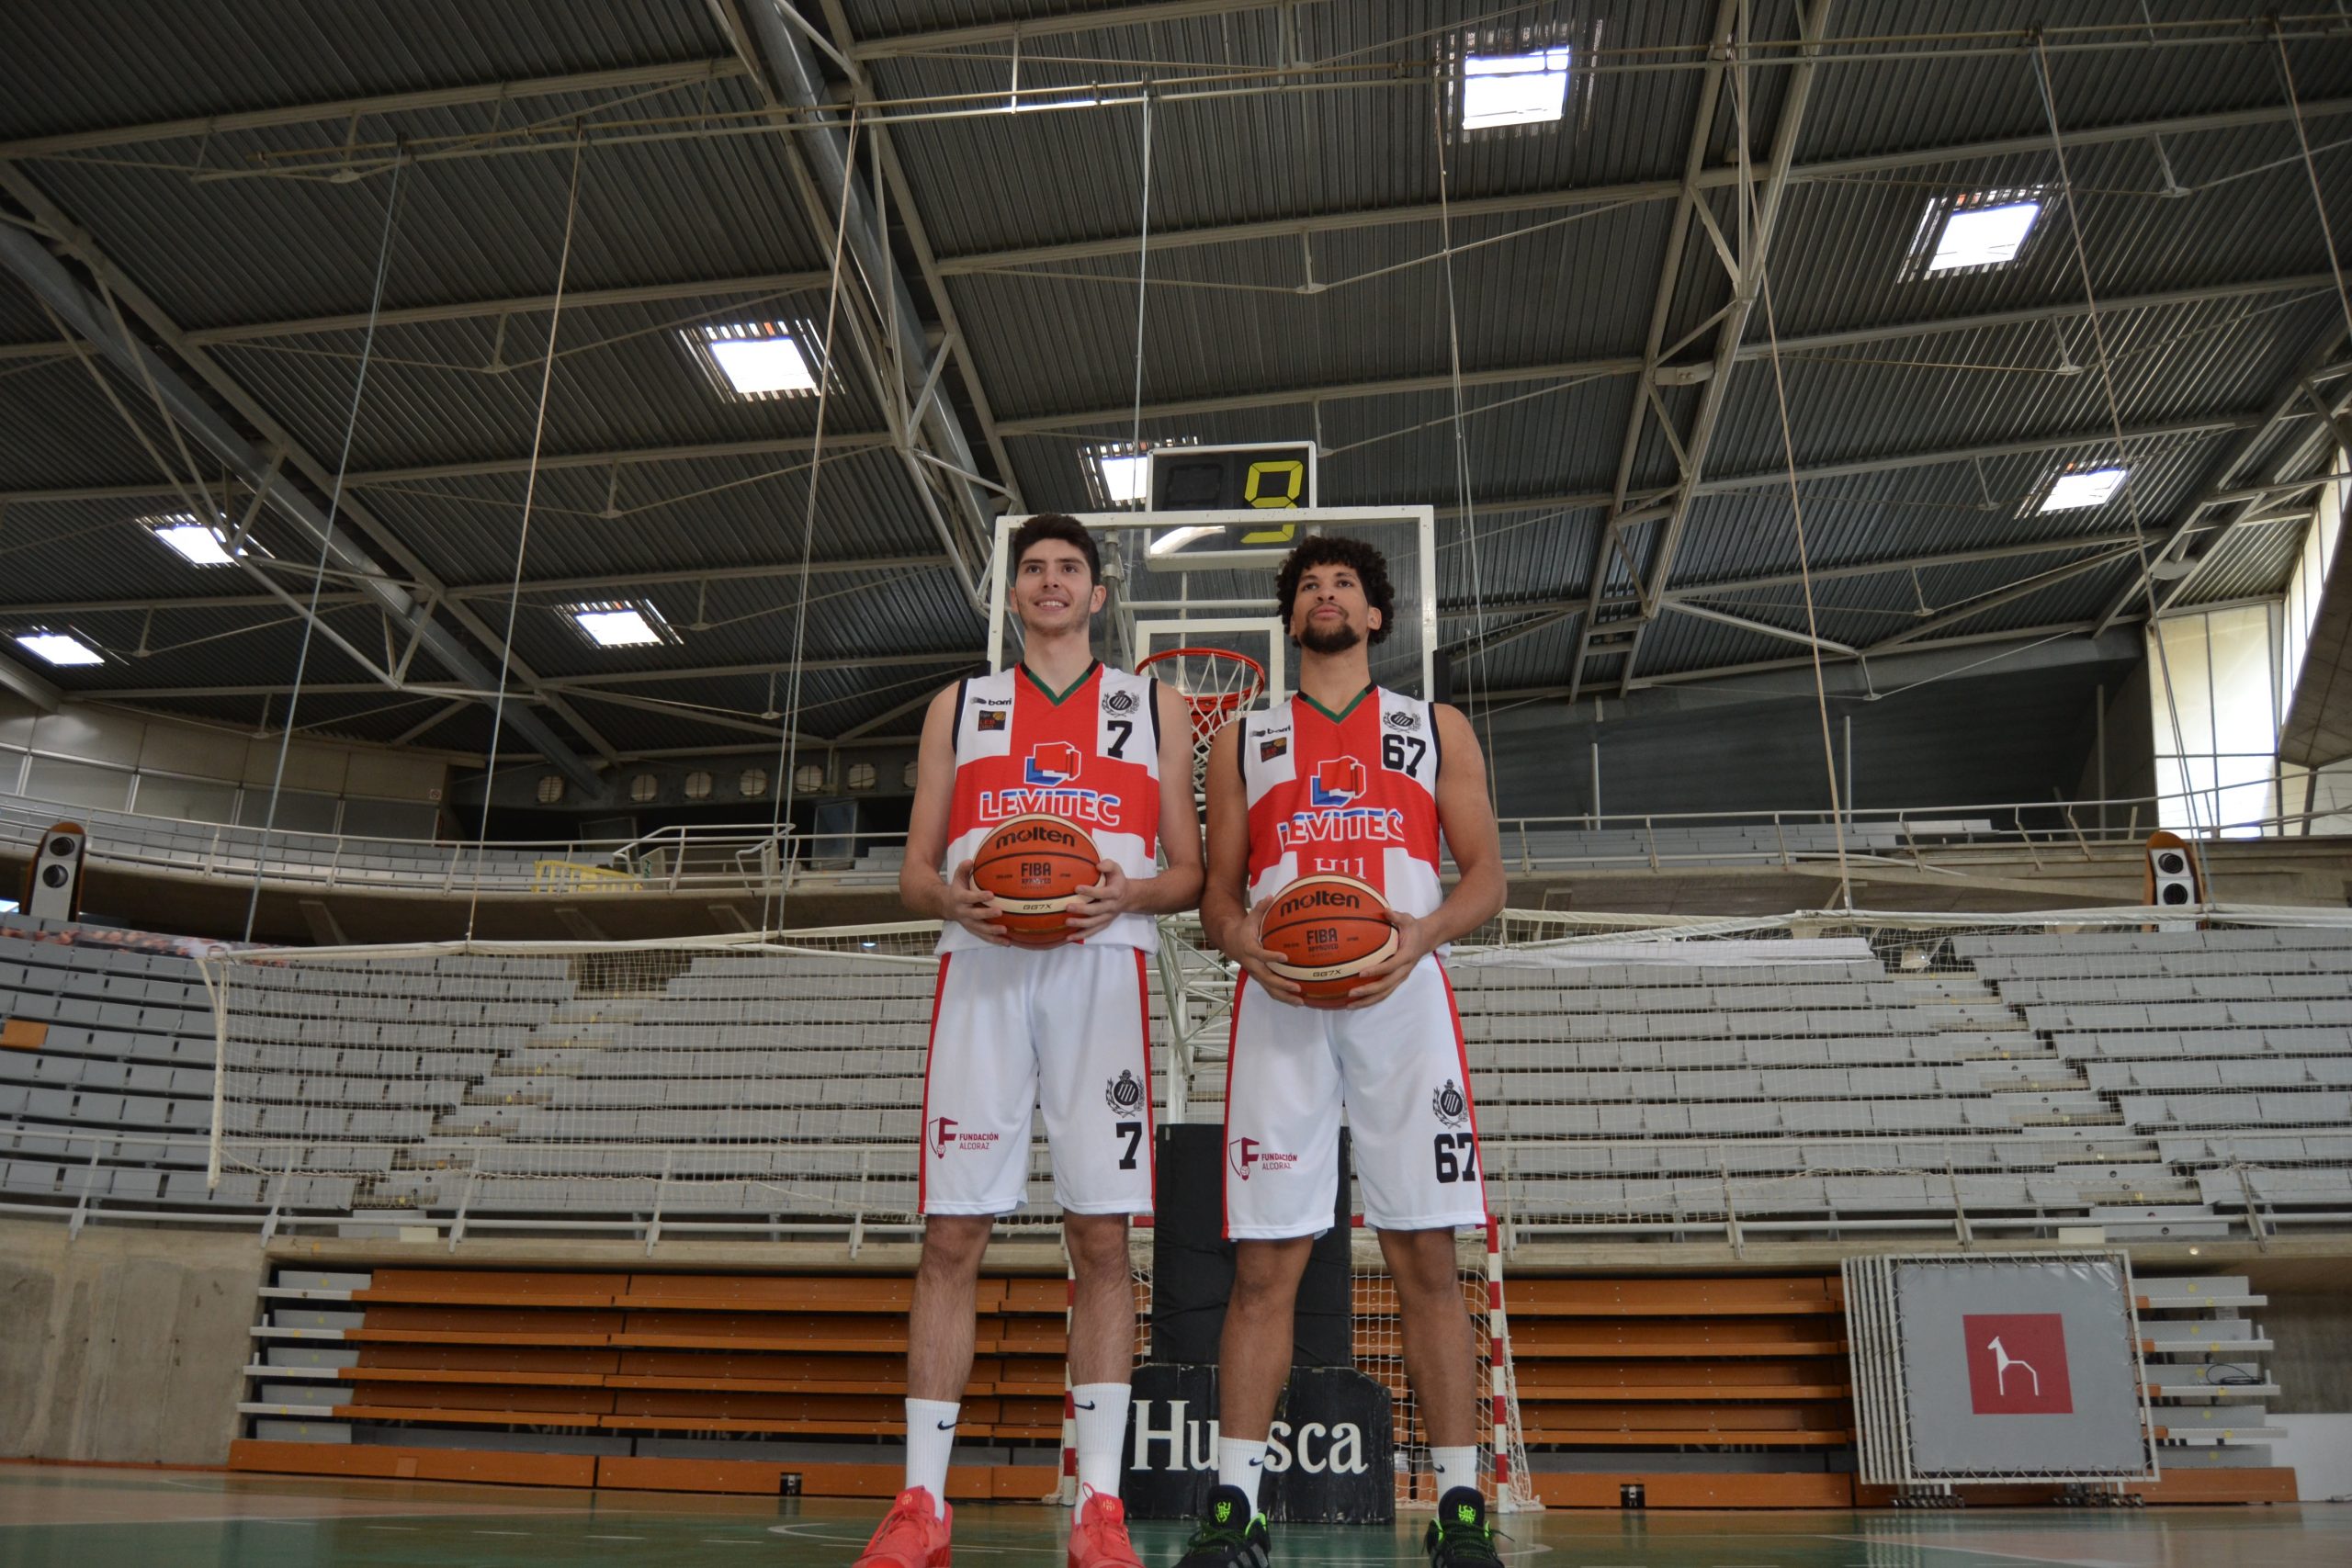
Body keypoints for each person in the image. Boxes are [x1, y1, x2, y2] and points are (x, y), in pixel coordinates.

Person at [857, 513, 1203, 1568]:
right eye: (1033, 571)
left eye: (1069, 570)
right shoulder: (960, 707)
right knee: (951, 1236)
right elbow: (915, 872)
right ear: (1012, 596)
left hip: (1103, 967)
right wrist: (955, 901)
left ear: (1098, 595)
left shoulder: (1156, 707)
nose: (1050, 583)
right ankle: (922, 1502)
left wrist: (1127, 891)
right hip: (983, 966)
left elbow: (1188, 872)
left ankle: (1100, 1505)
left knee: (1101, 1239)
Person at [1172, 536, 1506, 1568]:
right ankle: (1236, 1511)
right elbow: (1216, 896)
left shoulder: (1430, 726)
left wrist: (1421, 934)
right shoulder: (1243, 740)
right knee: (1265, 1266)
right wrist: (1242, 948)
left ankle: (1458, 1513)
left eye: (1344, 586)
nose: (1325, 595)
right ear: (1291, 618)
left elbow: (1486, 876)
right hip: (1280, 1002)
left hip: (1402, 1000)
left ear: (1374, 615)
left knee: (1426, 1260)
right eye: (1308, 585)